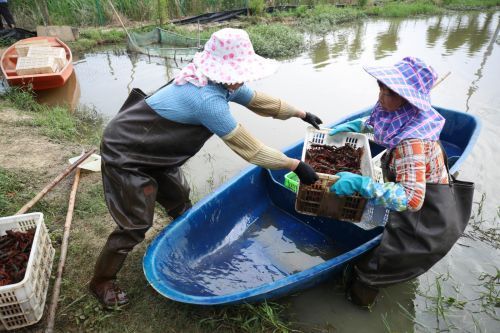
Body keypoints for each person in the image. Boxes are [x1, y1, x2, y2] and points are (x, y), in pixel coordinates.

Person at [90, 28, 322, 307]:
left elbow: (260, 101)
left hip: (156, 150)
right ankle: (101, 281)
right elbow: (253, 150)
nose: (243, 78)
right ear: (222, 70)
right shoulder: (207, 100)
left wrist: (301, 113)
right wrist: (295, 165)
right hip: (126, 151)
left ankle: (182, 245)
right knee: (135, 223)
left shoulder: (219, 81)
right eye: (240, 71)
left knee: (179, 197)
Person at [329, 57, 468, 307]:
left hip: (429, 216)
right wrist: (359, 126)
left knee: (373, 271)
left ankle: (359, 305)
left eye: (390, 92)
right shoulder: (397, 111)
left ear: (409, 100)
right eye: (380, 87)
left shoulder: (412, 143)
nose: (382, 96)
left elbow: (411, 200)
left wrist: (360, 184)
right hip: (423, 191)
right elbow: (382, 125)